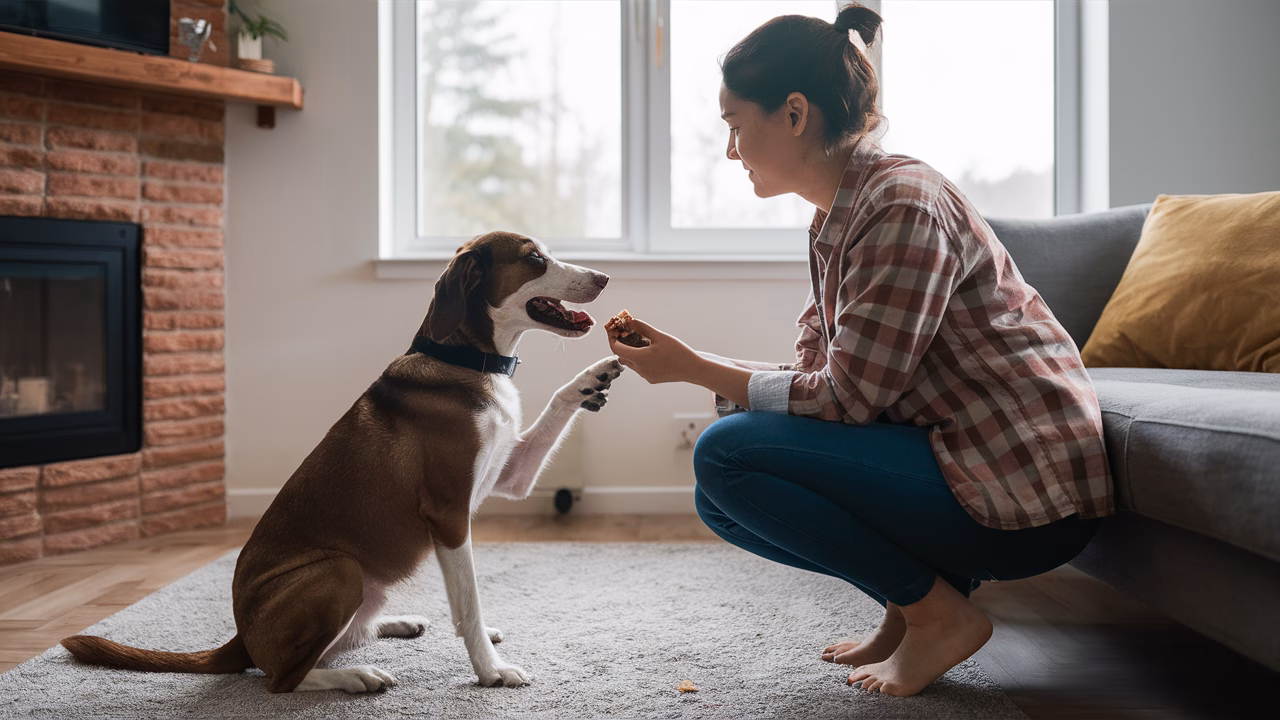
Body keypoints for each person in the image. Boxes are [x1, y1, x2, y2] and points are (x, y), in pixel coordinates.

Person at [607, 3, 1113, 698]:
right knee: (720, 491)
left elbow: (846, 400)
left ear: (793, 113)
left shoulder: (900, 205)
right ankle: (911, 609)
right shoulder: (838, 217)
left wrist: (693, 369)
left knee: (726, 454)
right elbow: (828, 378)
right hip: (960, 461)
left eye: (733, 123)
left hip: (1025, 496)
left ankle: (941, 616)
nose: (728, 149)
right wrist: (692, 361)